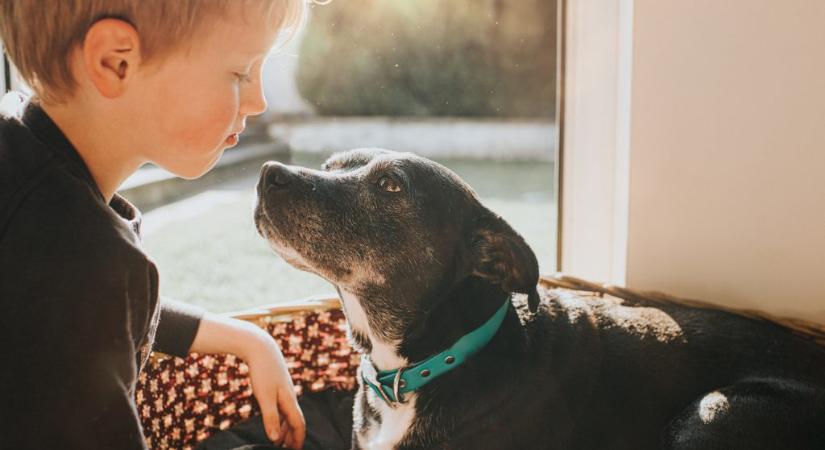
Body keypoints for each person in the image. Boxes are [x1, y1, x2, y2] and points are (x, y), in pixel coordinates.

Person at [0, 1, 307, 448]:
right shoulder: (79, 260)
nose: (259, 101)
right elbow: (84, 302)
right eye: (241, 72)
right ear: (115, 62)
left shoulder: (27, 173)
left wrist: (248, 340)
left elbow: (86, 318)